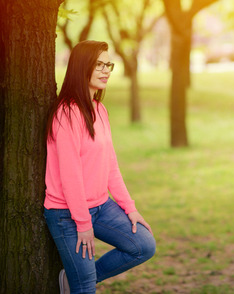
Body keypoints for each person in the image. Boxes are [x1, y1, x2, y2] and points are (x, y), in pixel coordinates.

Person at [44, 40, 156, 294]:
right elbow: (69, 174)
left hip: (101, 206)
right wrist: (83, 224)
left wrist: (130, 208)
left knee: (143, 245)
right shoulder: (67, 113)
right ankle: (79, 282)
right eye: (99, 64)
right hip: (66, 214)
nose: (106, 70)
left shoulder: (99, 110)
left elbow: (111, 166)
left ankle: (75, 279)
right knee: (85, 290)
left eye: (109, 64)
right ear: (82, 67)